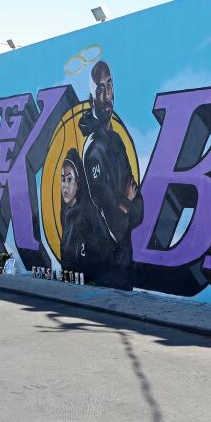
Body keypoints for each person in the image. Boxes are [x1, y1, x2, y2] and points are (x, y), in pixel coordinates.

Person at [78, 60, 143, 289]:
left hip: (125, 262)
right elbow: (115, 222)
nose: (107, 95)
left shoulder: (116, 142)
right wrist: (126, 202)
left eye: (110, 85)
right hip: (108, 266)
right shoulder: (94, 151)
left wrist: (125, 207)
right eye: (100, 89)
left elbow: (140, 209)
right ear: (91, 99)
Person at [59, 148, 95, 276]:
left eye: (69, 179)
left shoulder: (83, 213)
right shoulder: (66, 213)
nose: (64, 185)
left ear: (78, 183)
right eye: (63, 179)